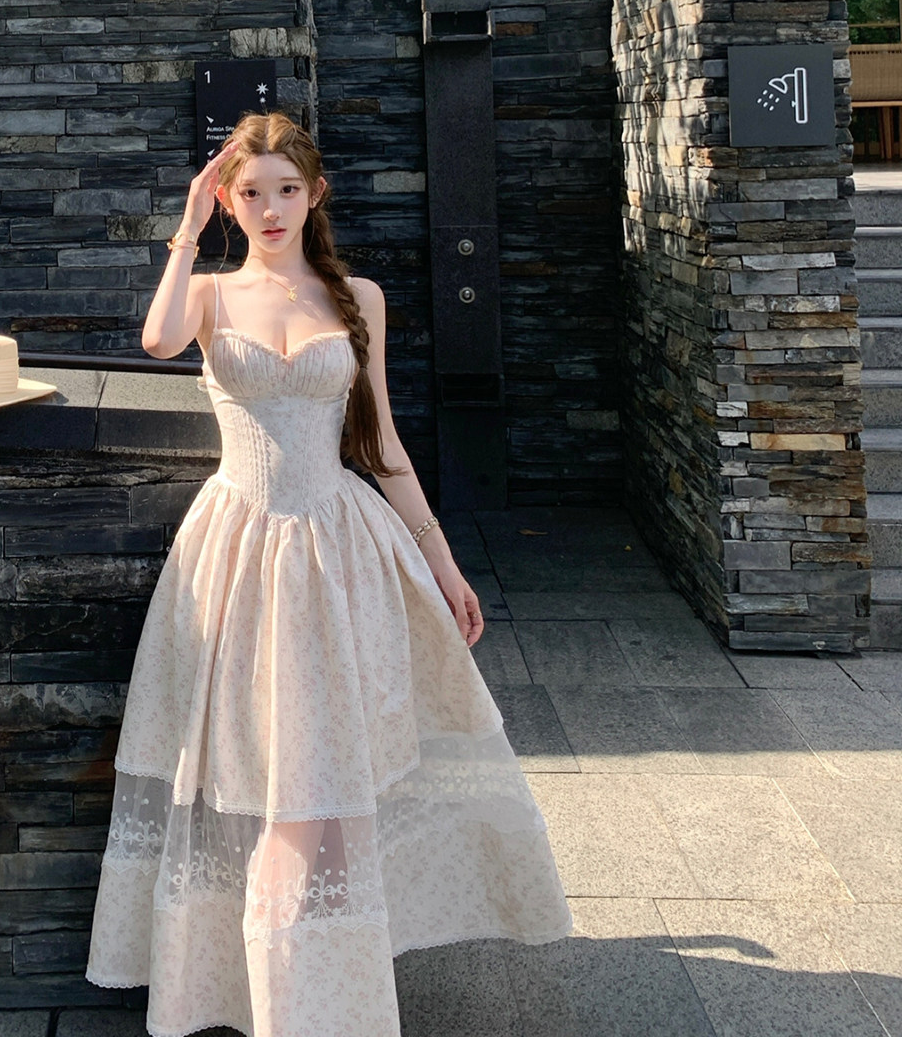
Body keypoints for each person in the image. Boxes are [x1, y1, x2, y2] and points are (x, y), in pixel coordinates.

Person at [85, 110, 571, 1037]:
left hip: (340, 556)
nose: (270, 209)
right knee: (257, 772)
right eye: (250, 193)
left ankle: (312, 997)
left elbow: (381, 446)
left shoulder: (358, 299)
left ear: (314, 195)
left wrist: (442, 562)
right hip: (236, 560)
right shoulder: (211, 295)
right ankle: (270, 988)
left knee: (319, 779)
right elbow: (156, 340)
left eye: (286, 190)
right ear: (229, 200)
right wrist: (187, 225)